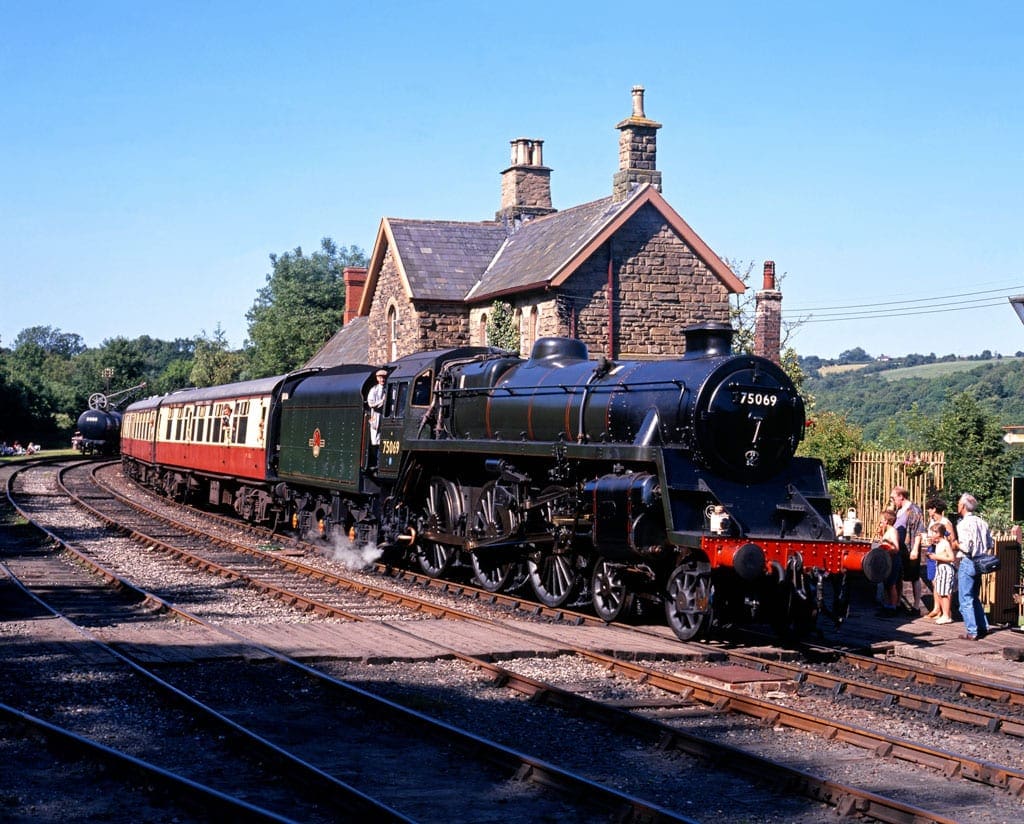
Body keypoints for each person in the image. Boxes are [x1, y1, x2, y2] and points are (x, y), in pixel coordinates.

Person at [955, 492, 994, 640]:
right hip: (981, 561)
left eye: (959, 503)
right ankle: (983, 627)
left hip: (969, 560)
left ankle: (972, 631)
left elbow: (966, 547)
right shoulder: (982, 522)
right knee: (974, 596)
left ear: (963, 506)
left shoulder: (963, 524)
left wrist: (956, 544)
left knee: (965, 597)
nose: (958, 505)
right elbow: (990, 544)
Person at [892, 486, 925, 615]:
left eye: (894, 497)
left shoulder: (914, 510)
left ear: (901, 496)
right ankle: (898, 602)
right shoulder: (899, 509)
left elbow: (918, 530)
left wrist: (915, 549)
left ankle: (916, 607)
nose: (893, 500)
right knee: (899, 576)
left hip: (910, 548)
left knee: (914, 576)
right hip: (900, 548)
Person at [921, 497, 955, 619]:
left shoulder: (945, 522)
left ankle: (945, 611)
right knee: (934, 581)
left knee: (941, 583)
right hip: (932, 552)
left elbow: (952, 540)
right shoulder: (931, 522)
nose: (928, 511)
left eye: (929, 509)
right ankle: (937, 609)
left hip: (941, 554)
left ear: (934, 509)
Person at [925, 522, 956, 625]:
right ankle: (944, 614)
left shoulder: (945, 543)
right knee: (940, 591)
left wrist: (936, 557)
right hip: (940, 568)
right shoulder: (938, 544)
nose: (931, 535)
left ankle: (947, 615)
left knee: (944, 593)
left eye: (933, 533)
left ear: (938, 533)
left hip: (946, 569)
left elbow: (951, 558)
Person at [876, 509, 901, 616]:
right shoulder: (887, 531)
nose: (880, 523)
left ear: (886, 521)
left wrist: (887, 550)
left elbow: (896, 548)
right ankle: (887, 605)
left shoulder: (893, 531)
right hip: (887, 560)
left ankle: (893, 607)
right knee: (887, 584)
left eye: (881, 521)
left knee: (891, 584)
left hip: (893, 560)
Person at [366, 369, 387, 466]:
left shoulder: (389, 389)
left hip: (385, 417)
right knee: (375, 441)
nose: (382, 379)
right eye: (381, 377)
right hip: (376, 417)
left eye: (384, 377)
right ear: (377, 378)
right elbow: (371, 403)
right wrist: (382, 402)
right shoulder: (373, 390)